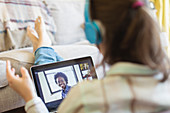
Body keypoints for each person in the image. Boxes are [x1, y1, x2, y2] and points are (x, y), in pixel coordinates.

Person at [6, 0, 170, 113]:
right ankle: (43, 46)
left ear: (94, 33)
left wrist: (30, 97)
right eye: (59, 81)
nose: (60, 82)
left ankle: (42, 46)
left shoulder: (86, 97)